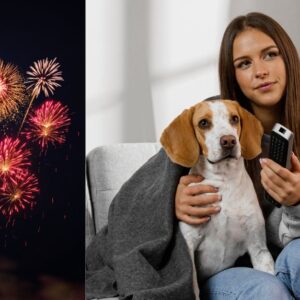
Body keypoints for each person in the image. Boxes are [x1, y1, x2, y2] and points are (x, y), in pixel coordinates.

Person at [175, 12, 300, 299]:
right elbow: (146, 193)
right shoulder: (207, 114)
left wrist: (297, 202)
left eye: (270, 55)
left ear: (288, 57)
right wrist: (172, 200)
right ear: (233, 75)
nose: (260, 71)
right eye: (245, 63)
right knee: (267, 291)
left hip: (286, 252)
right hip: (232, 271)